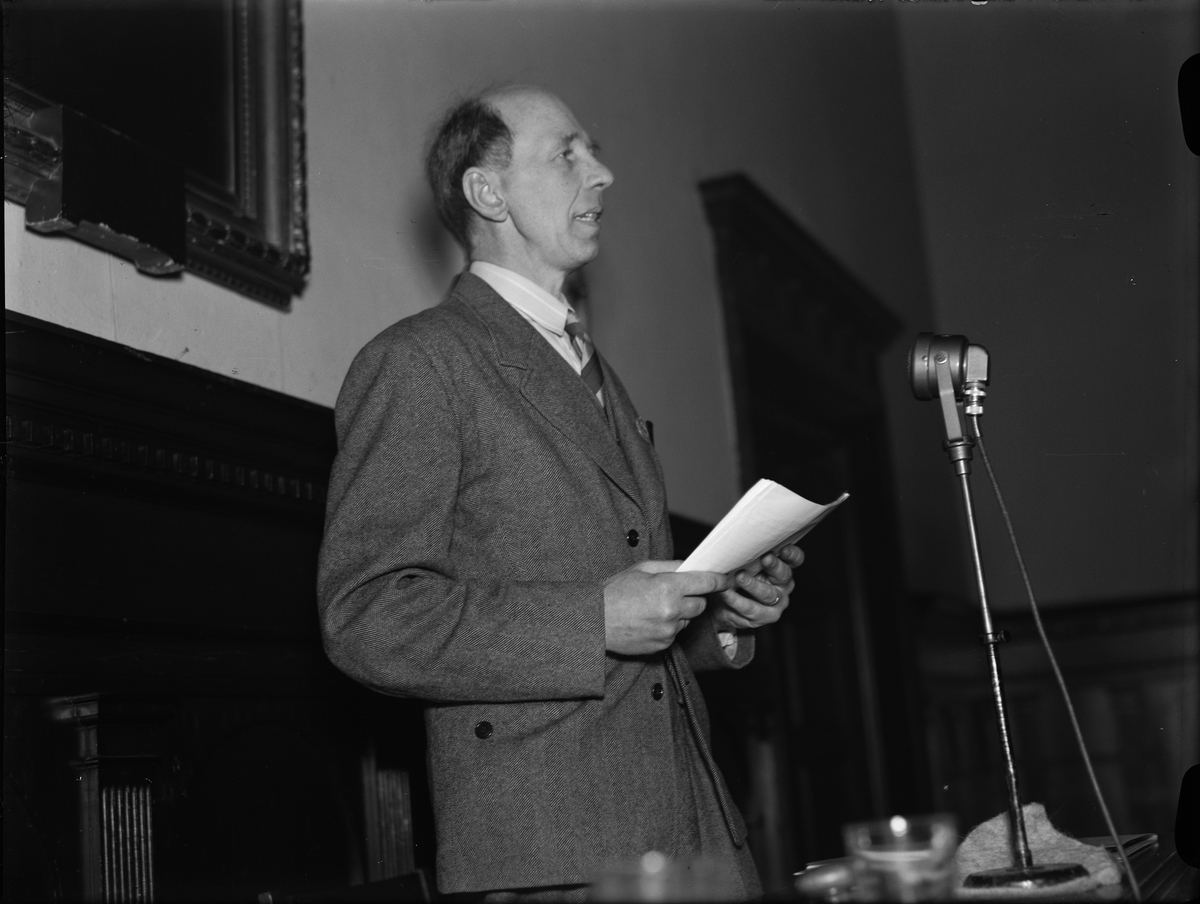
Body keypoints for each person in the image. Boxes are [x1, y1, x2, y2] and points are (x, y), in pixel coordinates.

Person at [317, 85, 804, 901]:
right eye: (567, 154)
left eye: (594, 152)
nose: (602, 174)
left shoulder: (592, 369)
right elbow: (365, 618)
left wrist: (717, 617)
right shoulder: (418, 362)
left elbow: (632, 628)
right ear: (488, 191)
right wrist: (595, 620)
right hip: (556, 856)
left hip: (698, 832)